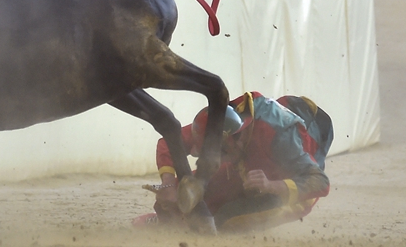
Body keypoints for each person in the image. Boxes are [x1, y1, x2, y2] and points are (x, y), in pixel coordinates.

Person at [138, 92, 333, 232]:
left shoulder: (279, 137)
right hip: (249, 167)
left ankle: (186, 225)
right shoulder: (220, 123)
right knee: (184, 192)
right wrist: (168, 184)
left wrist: (271, 185)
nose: (216, 161)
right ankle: (171, 222)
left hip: (289, 186)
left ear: (235, 139)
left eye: (219, 154)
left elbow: (320, 182)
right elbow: (169, 142)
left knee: (227, 220)